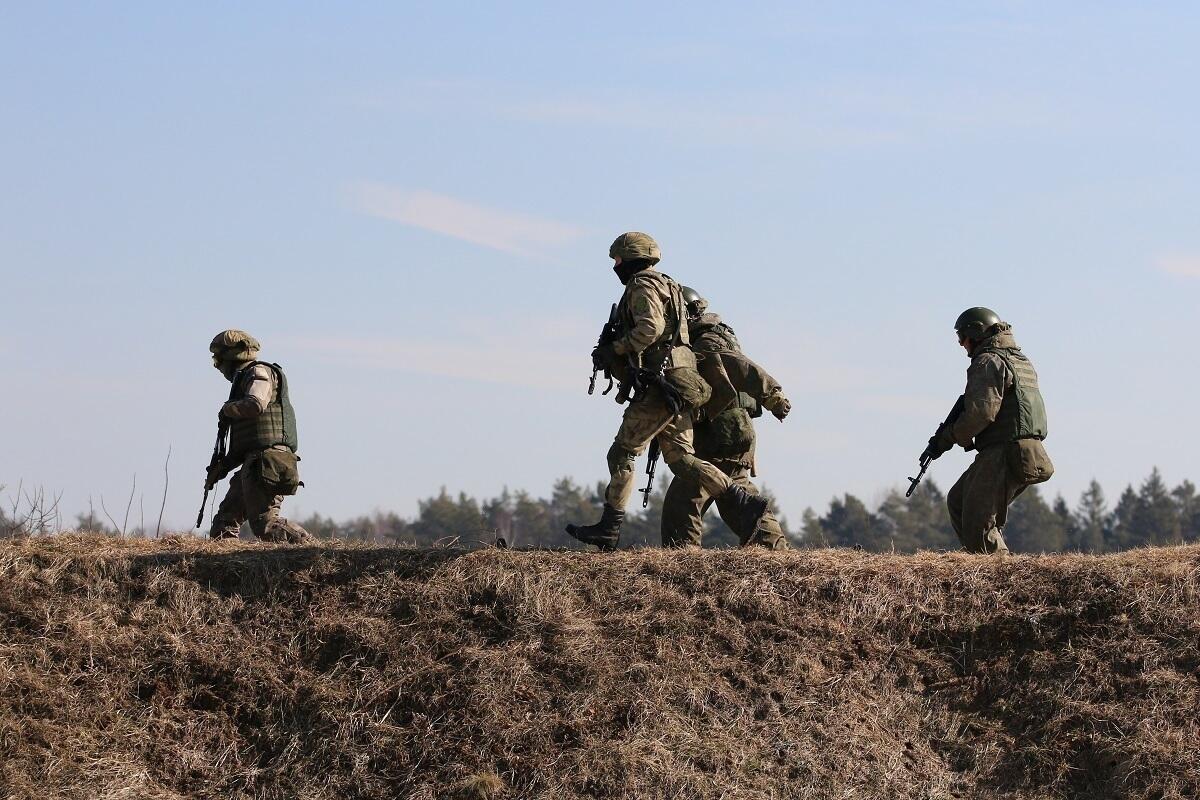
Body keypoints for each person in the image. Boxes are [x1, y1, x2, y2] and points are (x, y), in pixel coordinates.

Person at [566, 233, 769, 550]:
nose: (615, 266)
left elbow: (651, 328)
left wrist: (616, 348)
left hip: (662, 385)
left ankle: (609, 528)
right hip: (682, 384)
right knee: (683, 460)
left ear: (631, 258)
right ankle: (743, 502)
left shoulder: (642, 284)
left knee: (621, 453)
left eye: (617, 259)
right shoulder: (669, 285)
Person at [661, 287, 792, 549]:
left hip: (722, 432)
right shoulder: (706, 338)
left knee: (685, 498)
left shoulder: (706, 342)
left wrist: (773, 396)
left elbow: (740, 366)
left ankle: (682, 557)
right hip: (732, 430)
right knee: (737, 493)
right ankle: (775, 550)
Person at [923, 307, 1053, 555]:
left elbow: (981, 414)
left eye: (962, 337)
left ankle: (999, 573)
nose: (961, 344)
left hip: (1005, 451)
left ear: (975, 334)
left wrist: (947, 437)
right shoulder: (1018, 360)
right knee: (959, 501)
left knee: (979, 523)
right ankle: (982, 563)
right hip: (1024, 450)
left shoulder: (987, 361)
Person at [206, 330, 313, 543]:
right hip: (255, 463)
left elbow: (255, 404)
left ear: (231, 358)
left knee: (266, 525)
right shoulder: (243, 381)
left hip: (266, 464)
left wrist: (228, 409)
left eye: (218, 361)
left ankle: (311, 549)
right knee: (224, 525)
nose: (219, 368)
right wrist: (222, 467)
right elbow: (247, 443)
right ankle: (230, 563)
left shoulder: (258, 373)